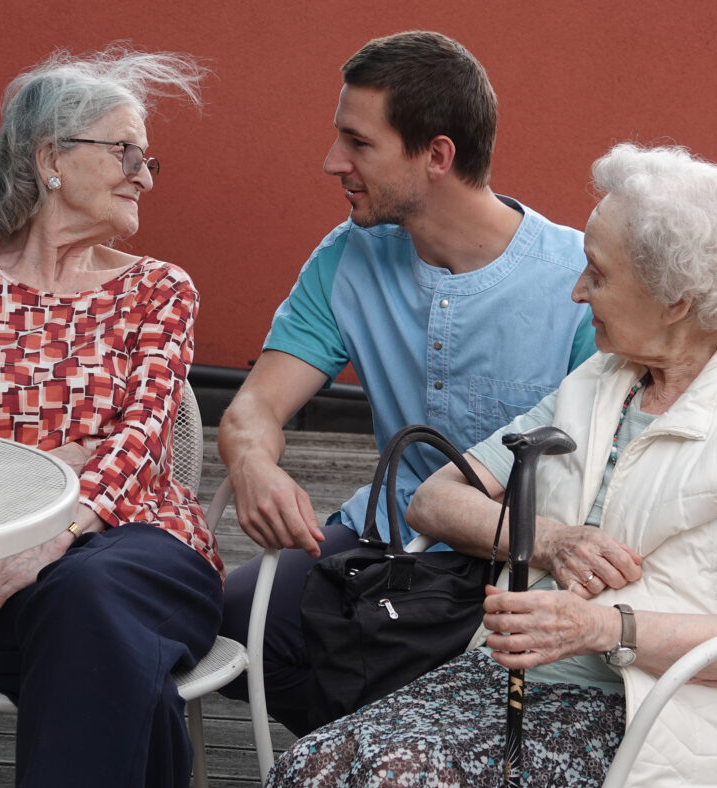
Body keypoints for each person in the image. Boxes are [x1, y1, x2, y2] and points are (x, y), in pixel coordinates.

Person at [266, 143, 717, 787]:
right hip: (514, 681)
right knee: (312, 765)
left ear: (676, 299)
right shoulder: (608, 378)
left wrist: (599, 627)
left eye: (598, 274)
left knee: (392, 775)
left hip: (660, 719)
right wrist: (553, 540)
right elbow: (435, 499)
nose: (578, 292)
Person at [0, 46, 220, 787]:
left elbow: (143, 437)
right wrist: (57, 467)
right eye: (125, 151)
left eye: (149, 160)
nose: (144, 174)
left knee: (92, 594)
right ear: (50, 157)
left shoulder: (158, 290)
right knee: (103, 639)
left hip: (147, 552)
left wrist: (53, 526)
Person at [216, 30, 596, 735]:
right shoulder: (348, 256)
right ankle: (366, 749)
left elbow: (605, 481)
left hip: (517, 568)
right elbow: (255, 407)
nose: (333, 162)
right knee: (226, 626)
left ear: (437, 157)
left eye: (358, 143)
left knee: (408, 677)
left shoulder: (579, 280)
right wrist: (253, 463)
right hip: (382, 546)